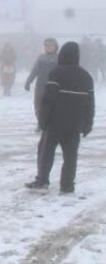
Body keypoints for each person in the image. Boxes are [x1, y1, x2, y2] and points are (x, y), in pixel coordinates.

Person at [25, 42, 94, 193]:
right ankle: (67, 185)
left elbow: (48, 100)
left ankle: (42, 180)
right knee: (70, 156)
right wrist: (88, 123)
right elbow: (90, 103)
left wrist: (43, 120)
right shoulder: (86, 76)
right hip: (75, 124)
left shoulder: (56, 73)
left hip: (55, 123)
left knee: (46, 151)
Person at [25, 38, 59, 130]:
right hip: (40, 85)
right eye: (46, 45)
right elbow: (35, 70)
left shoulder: (58, 59)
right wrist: (28, 81)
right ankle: (41, 123)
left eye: (50, 45)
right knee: (38, 105)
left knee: (52, 106)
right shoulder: (41, 58)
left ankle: (51, 123)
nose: (48, 47)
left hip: (53, 87)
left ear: (55, 47)